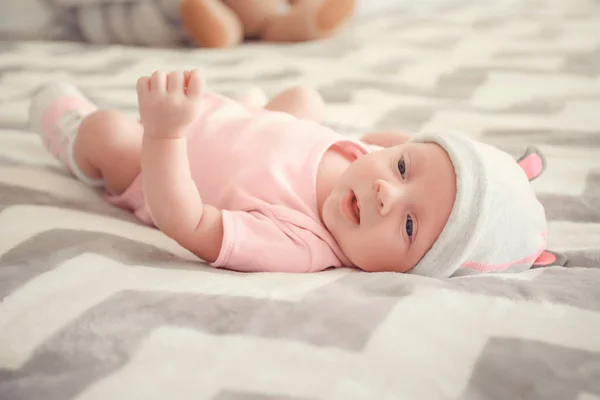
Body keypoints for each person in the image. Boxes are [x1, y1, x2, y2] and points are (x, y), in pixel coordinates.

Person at [29, 69, 548, 277]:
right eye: (404, 168)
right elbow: (398, 146)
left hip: (163, 157)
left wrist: (164, 135)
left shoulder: (303, 244)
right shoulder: (366, 165)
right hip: (233, 122)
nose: (388, 192)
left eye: (410, 226)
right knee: (306, 98)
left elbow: (186, 221)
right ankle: (253, 108)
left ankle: (70, 134)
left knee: (110, 131)